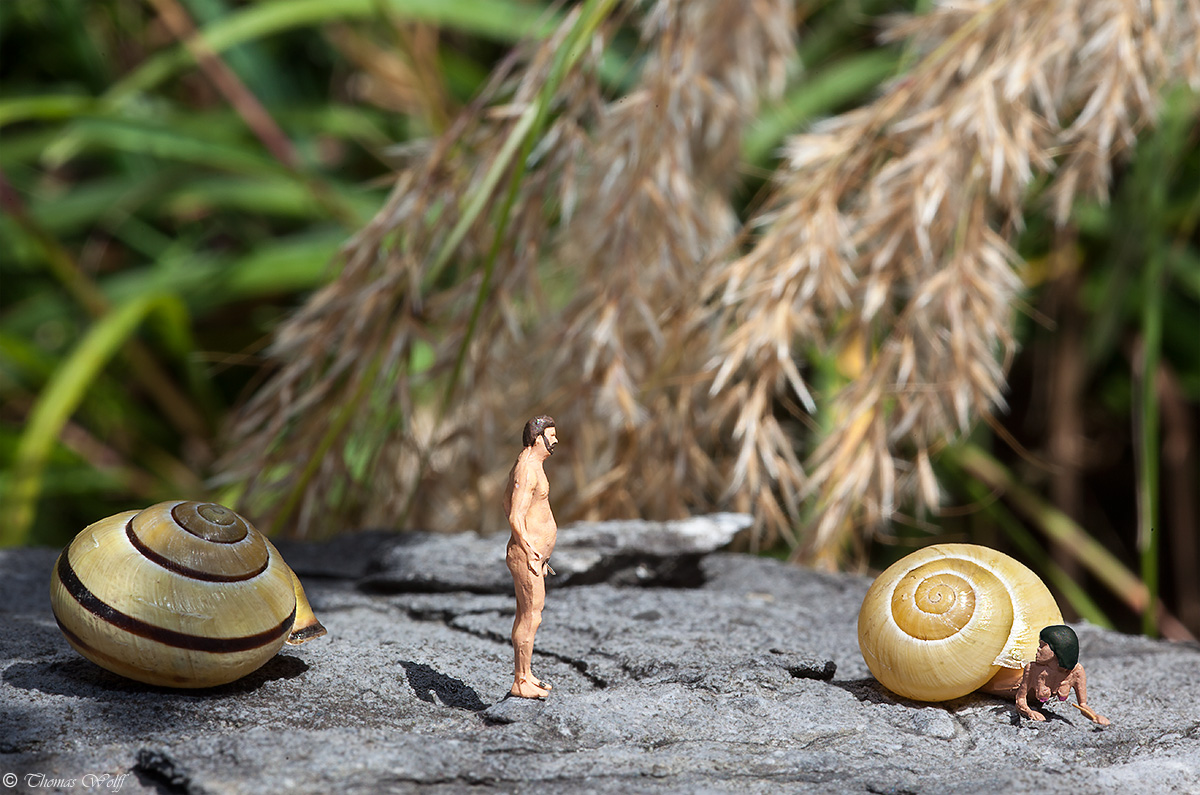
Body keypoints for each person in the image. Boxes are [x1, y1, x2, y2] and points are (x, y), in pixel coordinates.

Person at [502, 415, 558, 698]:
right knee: (529, 617)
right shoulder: (527, 469)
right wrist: (530, 548)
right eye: (551, 436)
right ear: (538, 439)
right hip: (528, 557)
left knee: (532, 615)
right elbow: (514, 514)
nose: (555, 441)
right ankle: (520, 680)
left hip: (535, 557)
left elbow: (505, 500)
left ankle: (526, 675)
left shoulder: (532, 465)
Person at [1014, 625, 1110, 725]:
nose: (1038, 649)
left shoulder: (1076, 672)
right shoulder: (1032, 669)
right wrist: (1029, 712)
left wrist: (1095, 716)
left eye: (1042, 645)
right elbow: (1020, 699)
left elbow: (1083, 705)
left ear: (1057, 650)